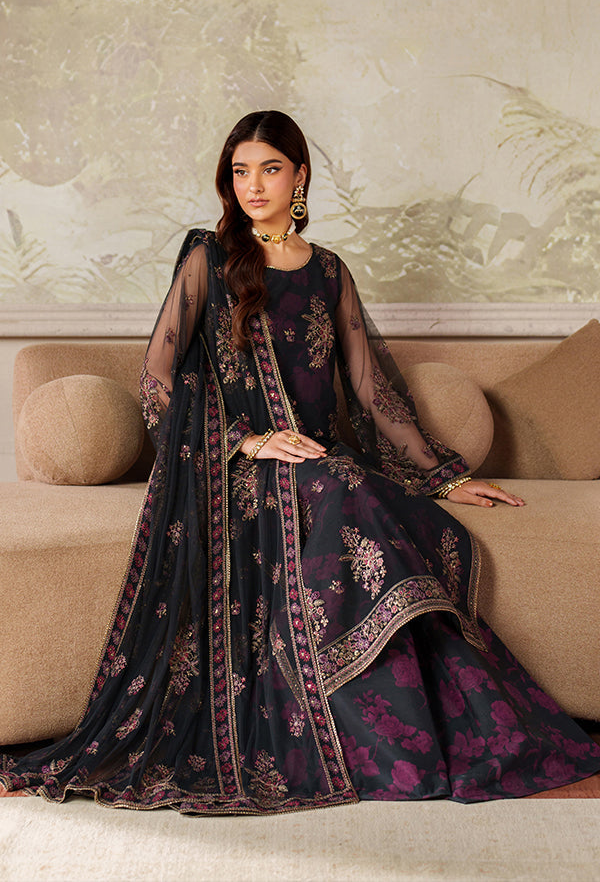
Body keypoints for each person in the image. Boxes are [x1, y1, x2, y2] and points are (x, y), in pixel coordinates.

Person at [2, 111, 599, 813]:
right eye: (240, 171)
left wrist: (447, 476)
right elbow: (157, 381)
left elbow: (370, 388)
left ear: (300, 176)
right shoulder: (209, 260)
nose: (253, 185)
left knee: (369, 493)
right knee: (346, 487)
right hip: (237, 469)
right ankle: (375, 731)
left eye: (270, 169)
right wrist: (246, 442)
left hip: (319, 459)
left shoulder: (329, 271)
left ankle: (415, 728)